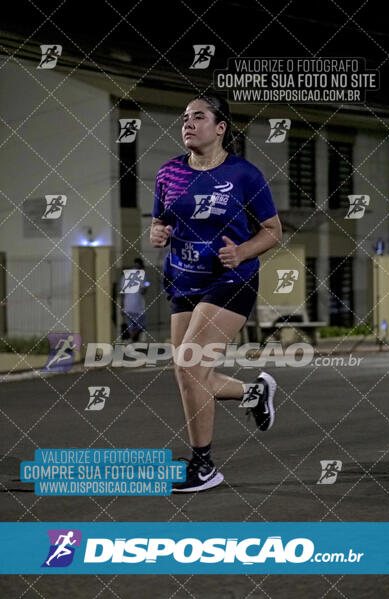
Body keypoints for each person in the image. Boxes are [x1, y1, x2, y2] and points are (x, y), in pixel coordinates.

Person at [150, 93, 282, 493]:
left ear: (221, 127)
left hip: (230, 281)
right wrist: (157, 233)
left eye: (198, 117)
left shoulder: (244, 175)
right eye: (185, 117)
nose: (187, 123)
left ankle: (203, 465)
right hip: (183, 281)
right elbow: (160, 223)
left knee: (191, 366)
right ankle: (253, 392)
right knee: (187, 373)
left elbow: (273, 231)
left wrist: (240, 252)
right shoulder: (167, 173)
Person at [120, 258, 150, 342]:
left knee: (131, 326)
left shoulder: (125, 275)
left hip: (127, 305)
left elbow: (122, 293)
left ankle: (131, 341)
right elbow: (144, 290)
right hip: (137, 306)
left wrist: (122, 306)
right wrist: (146, 286)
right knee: (142, 326)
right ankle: (132, 340)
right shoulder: (141, 274)